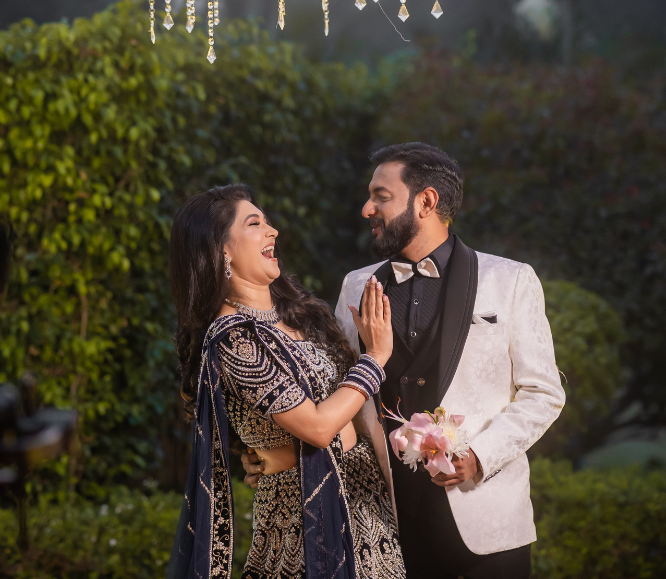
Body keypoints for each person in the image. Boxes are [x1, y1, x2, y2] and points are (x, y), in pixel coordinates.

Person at [332, 142, 565, 579]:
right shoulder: (355, 286)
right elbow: (338, 391)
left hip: (489, 528)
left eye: (381, 196)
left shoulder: (511, 280)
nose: (367, 209)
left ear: (426, 202)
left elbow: (543, 393)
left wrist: (480, 454)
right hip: (385, 528)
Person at [166, 183, 406, 579]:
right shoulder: (234, 339)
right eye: (255, 223)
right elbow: (319, 428)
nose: (272, 230)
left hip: (368, 510)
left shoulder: (301, 316)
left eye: (267, 221)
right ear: (222, 250)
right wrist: (376, 357)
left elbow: (345, 416)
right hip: (303, 529)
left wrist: (280, 455)